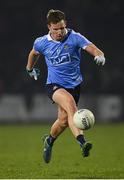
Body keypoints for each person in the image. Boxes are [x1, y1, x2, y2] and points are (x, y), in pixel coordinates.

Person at [26, 9, 105, 163]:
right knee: (70, 106)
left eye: (62, 28)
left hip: (74, 86)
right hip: (54, 85)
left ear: (65, 24)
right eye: (56, 29)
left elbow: (93, 48)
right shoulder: (41, 42)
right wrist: (29, 69)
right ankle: (82, 142)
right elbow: (34, 53)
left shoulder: (75, 37)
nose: (60, 32)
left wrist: (99, 56)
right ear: (49, 27)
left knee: (63, 121)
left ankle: (49, 141)